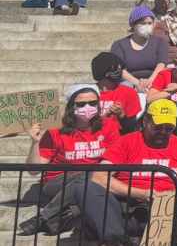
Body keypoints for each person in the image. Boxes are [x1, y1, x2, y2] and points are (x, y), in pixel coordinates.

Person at [80, 100, 177, 244]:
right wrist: (144, 194)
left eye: (169, 128)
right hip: (127, 208)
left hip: (168, 212)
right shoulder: (126, 142)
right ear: (145, 121)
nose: (163, 132)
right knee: (85, 187)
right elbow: (100, 177)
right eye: (158, 127)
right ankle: (117, 240)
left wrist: (176, 204)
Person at [19, 84, 122, 236]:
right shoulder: (56, 130)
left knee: (91, 180)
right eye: (81, 104)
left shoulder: (109, 126)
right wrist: (35, 143)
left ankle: (54, 217)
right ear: (71, 106)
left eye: (93, 103)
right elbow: (34, 171)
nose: (88, 107)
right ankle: (46, 216)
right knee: (89, 174)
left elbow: (116, 158)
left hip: (94, 182)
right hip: (58, 182)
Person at [109, 5, 168, 91]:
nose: (147, 26)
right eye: (143, 23)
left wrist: (150, 81)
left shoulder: (160, 42)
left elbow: (161, 64)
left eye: (150, 23)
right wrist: (137, 83)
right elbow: (119, 69)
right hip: (129, 82)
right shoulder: (119, 45)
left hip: (154, 80)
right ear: (133, 25)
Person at [91, 52, 142, 126]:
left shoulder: (129, 92)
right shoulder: (87, 94)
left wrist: (122, 115)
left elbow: (132, 127)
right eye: (115, 68)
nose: (119, 70)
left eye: (120, 67)